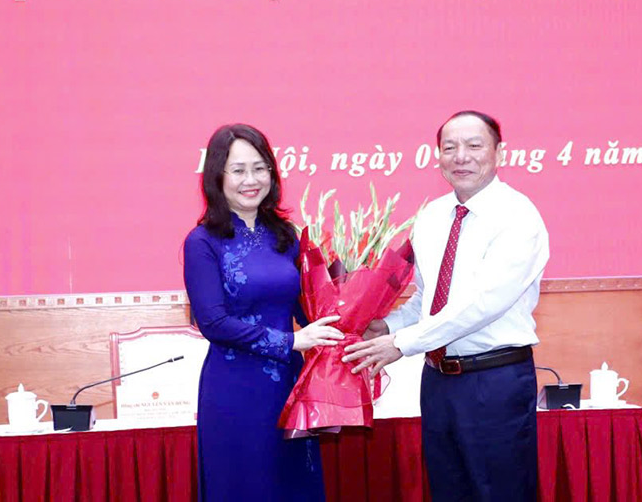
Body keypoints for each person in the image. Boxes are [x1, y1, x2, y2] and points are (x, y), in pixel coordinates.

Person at [343, 110, 550, 501]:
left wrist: (401, 344)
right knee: (448, 491)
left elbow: (481, 304)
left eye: (474, 146)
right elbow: (429, 299)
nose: (461, 156)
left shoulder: (518, 216)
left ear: (498, 153)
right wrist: (386, 326)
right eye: (450, 147)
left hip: (494, 381)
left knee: (500, 493)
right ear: (437, 156)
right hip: (438, 381)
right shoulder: (434, 216)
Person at [183, 123, 342, 502]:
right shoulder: (202, 241)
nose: (250, 180)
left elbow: (309, 311)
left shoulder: (287, 235)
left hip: (290, 388)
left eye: (260, 168)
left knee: (291, 487)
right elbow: (214, 322)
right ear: (217, 176)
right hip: (234, 391)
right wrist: (292, 341)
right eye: (238, 170)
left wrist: (347, 321)